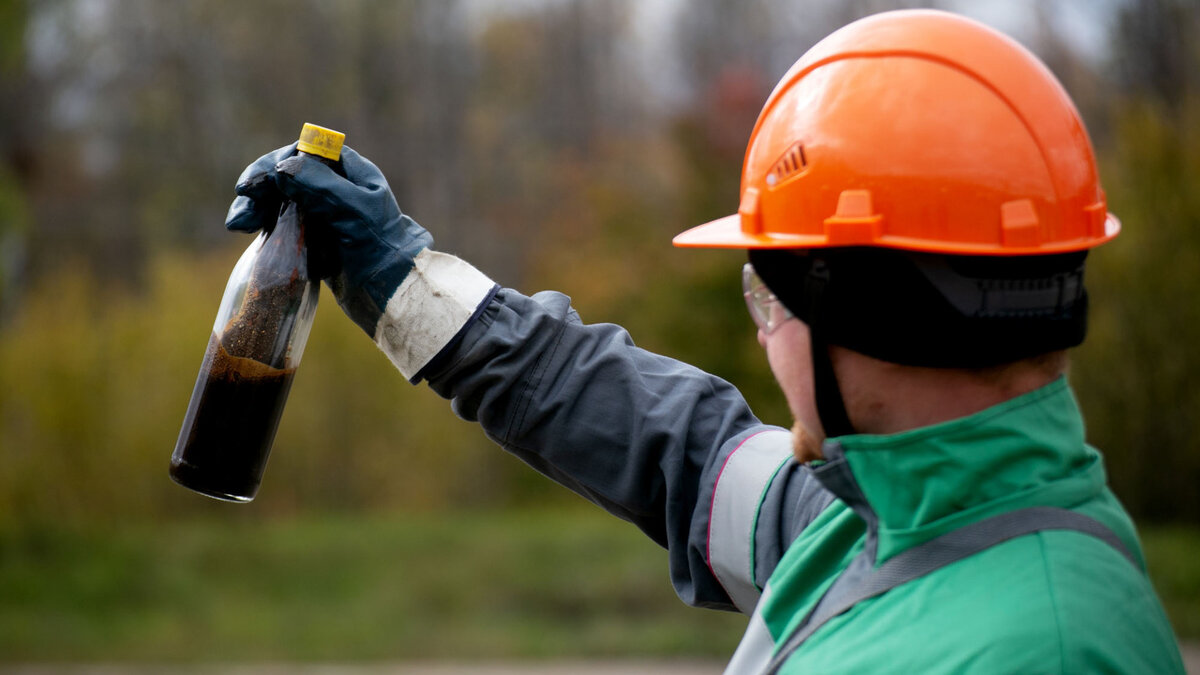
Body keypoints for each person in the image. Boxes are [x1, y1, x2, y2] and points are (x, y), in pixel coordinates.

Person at [225, 9, 1185, 674]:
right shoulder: (865, 515)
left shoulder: (1039, 650)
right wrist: (405, 281)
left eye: (767, 297)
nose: (764, 336)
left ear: (864, 313)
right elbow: (675, 446)